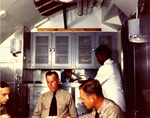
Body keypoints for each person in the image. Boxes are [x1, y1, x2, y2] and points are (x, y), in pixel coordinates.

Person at [94, 45, 126, 112]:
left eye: (97, 57)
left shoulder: (107, 67)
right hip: (119, 104)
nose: (97, 59)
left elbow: (94, 84)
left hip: (115, 106)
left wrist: (83, 82)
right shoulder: (114, 65)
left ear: (103, 55)